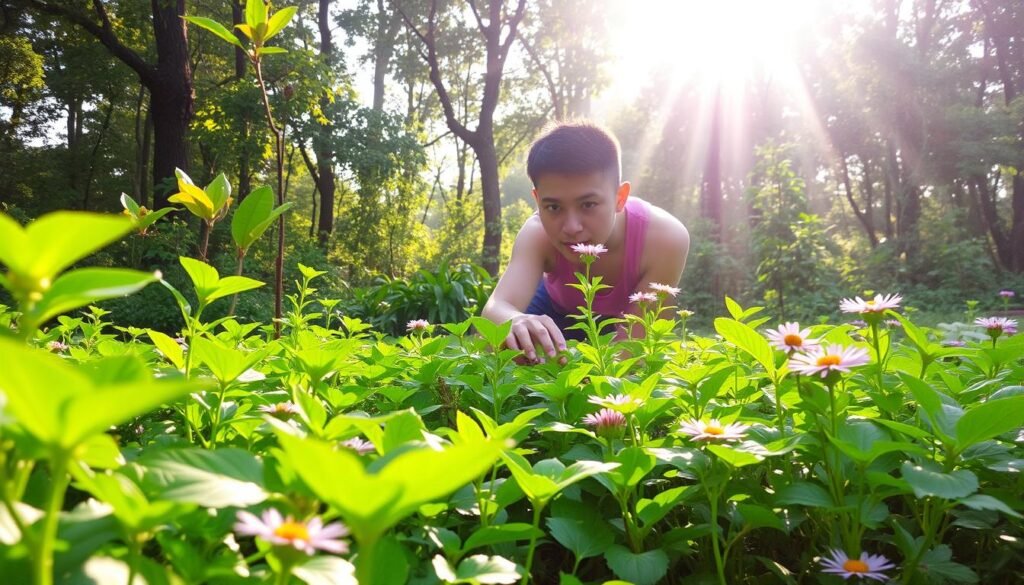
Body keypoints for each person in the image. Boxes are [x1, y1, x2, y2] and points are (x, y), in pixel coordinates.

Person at [482, 121, 690, 363]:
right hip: (553, 310)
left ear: (619, 197)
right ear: (537, 201)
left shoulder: (665, 240)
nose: (571, 227)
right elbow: (495, 309)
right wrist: (513, 320)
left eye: (588, 204)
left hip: (622, 322)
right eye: (553, 207)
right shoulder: (537, 232)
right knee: (498, 347)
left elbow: (632, 353)